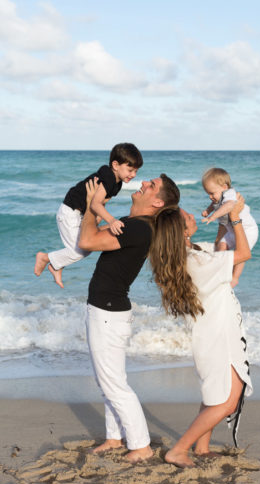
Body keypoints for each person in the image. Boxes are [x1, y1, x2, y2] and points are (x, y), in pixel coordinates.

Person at [78, 173, 180, 463]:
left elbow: (87, 240)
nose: (144, 183)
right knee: (109, 379)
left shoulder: (137, 228)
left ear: (157, 201)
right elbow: (92, 238)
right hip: (109, 311)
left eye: (152, 185)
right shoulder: (134, 225)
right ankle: (114, 437)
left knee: (113, 383)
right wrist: (99, 209)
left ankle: (141, 445)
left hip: (108, 313)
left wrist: (90, 205)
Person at [149, 195, 253, 468]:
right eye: (188, 217)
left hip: (213, 334)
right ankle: (179, 449)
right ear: (182, 231)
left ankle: (202, 446)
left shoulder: (191, 254)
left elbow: (221, 249)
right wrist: (236, 218)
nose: (194, 217)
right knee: (229, 399)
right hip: (217, 337)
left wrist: (223, 217)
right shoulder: (196, 260)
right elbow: (242, 253)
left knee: (216, 393)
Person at [34, 143, 143, 288]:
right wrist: (111, 221)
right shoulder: (108, 176)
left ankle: (56, 266)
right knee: (81, 250)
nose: (133, 175)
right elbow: (95, 204)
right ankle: (45, 258)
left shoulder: (117, 184)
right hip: (69, 211)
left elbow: (101, 203)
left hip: (79, 214)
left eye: (136, 171)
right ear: (115, 165)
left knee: (86, 248)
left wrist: (95, 222)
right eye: (130, 170)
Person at [201, 167, 258, 287]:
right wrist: (208, 210)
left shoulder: (230, 195)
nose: (210, 196)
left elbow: (229, 206)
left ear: (225, 187)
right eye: (208, 194)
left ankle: (235, 278)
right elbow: (214, 204)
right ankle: (220, 268)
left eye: (212, 193)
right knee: (221, 245)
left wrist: (213, 217)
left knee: (241, 250)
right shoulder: (219, 195)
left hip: (247, 230)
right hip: (231, 230)